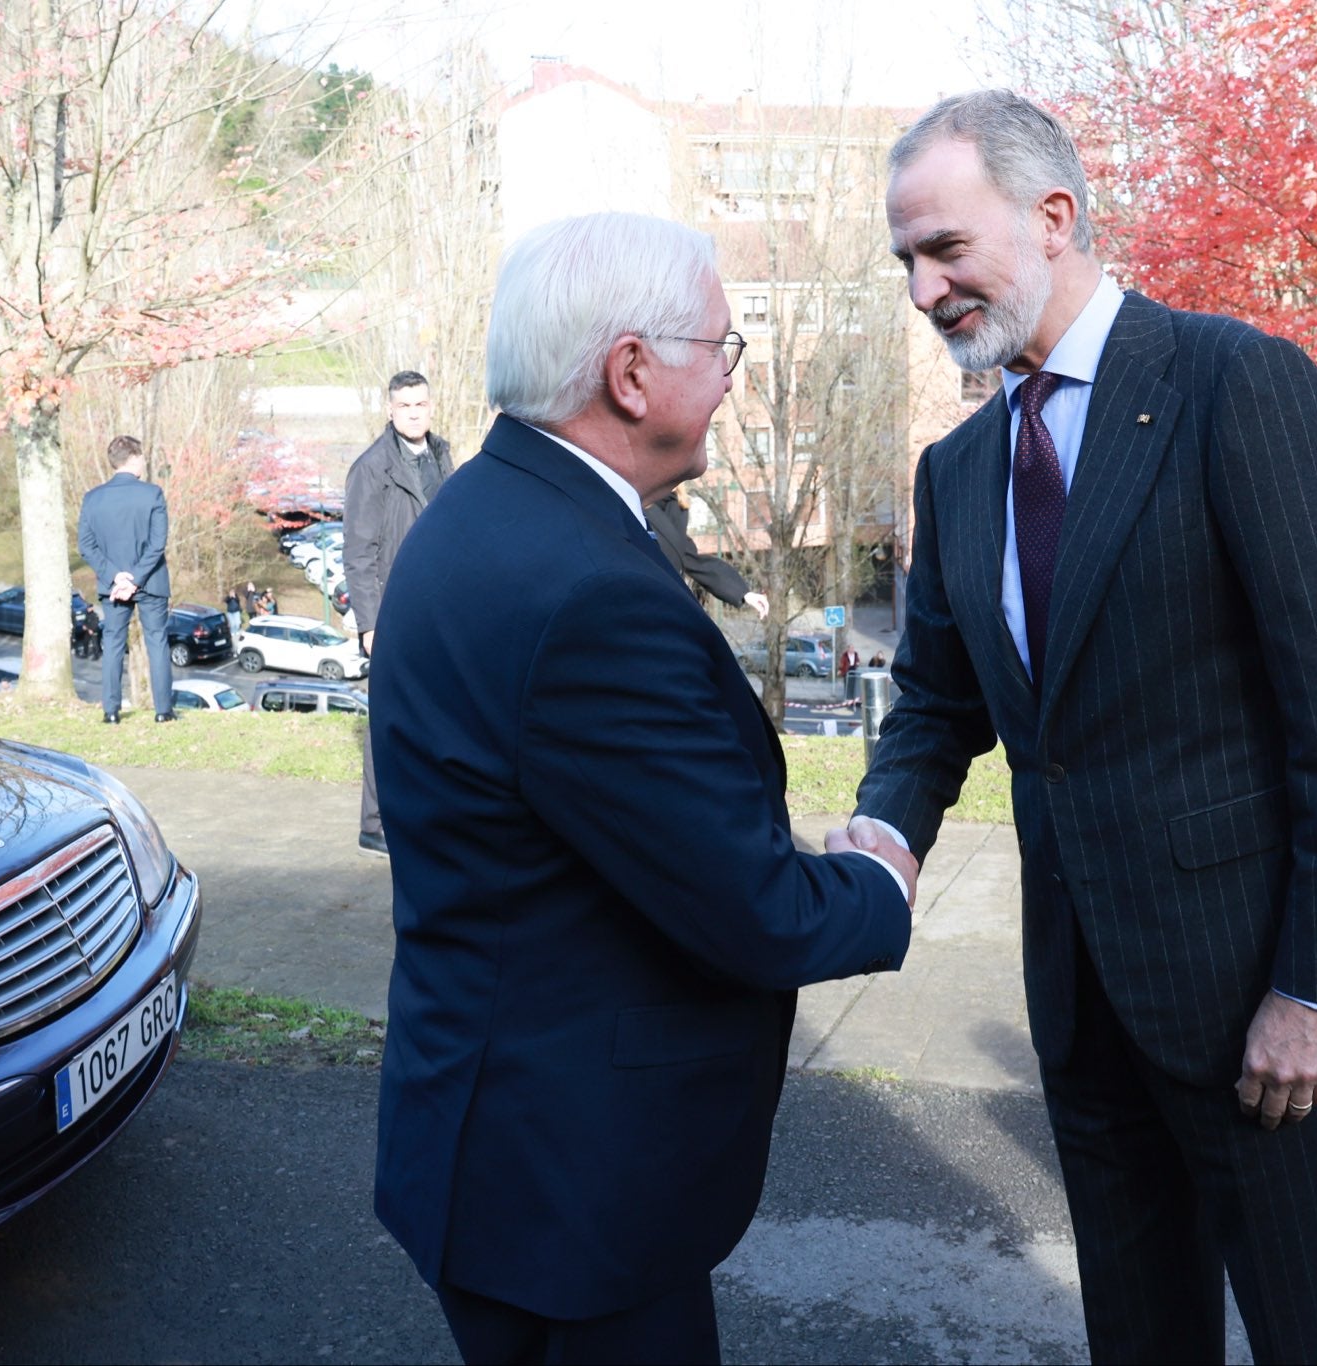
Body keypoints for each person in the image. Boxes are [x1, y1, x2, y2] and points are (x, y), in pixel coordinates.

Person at [848, 92, 1317, 1364]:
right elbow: (936, 702)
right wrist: (883, 834)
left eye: (945, 249)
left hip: (1269, 1018)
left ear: (1052, 216)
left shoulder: (1234, 384)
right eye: (905, 261)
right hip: (1085, 1012)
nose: (924, 290)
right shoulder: (958, 470)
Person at [370, 211, 919, 1366]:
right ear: (629, 373)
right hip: (567, 1192)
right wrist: (877, 885)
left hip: (504, 1144)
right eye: (720, 349)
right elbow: (752, 910)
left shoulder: (491, 509)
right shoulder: (585, 592)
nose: (728, 379)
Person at [345, 369, 454, 858]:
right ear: (390, 410)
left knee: (437, 714)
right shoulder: (371, 469)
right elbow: (358, 553)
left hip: (438, 609)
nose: (413, 413)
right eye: (405, 406)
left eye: (420, 404)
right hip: (393, 612)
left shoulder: (442, 455)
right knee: (390, 719)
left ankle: (428, 811)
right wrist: (369, 624)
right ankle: (376, 824)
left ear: (430, 406)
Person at [77, 435, 173, 723]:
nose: (144, 462)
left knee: (113, 644)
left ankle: (111, 712)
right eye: (142, 457)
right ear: (133, 458)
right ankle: (163, 711)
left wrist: (115, 576)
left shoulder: (93, 499)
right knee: (156, 641)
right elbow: (157, 543)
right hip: (150, 580)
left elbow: (86, 546)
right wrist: (135, 578)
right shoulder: (152, 494)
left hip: (113, 585)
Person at [643, 489, 770, 619]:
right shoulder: (636, 507)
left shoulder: (676, 505)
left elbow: (693, 560)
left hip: (665, 609)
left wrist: (744, 593)